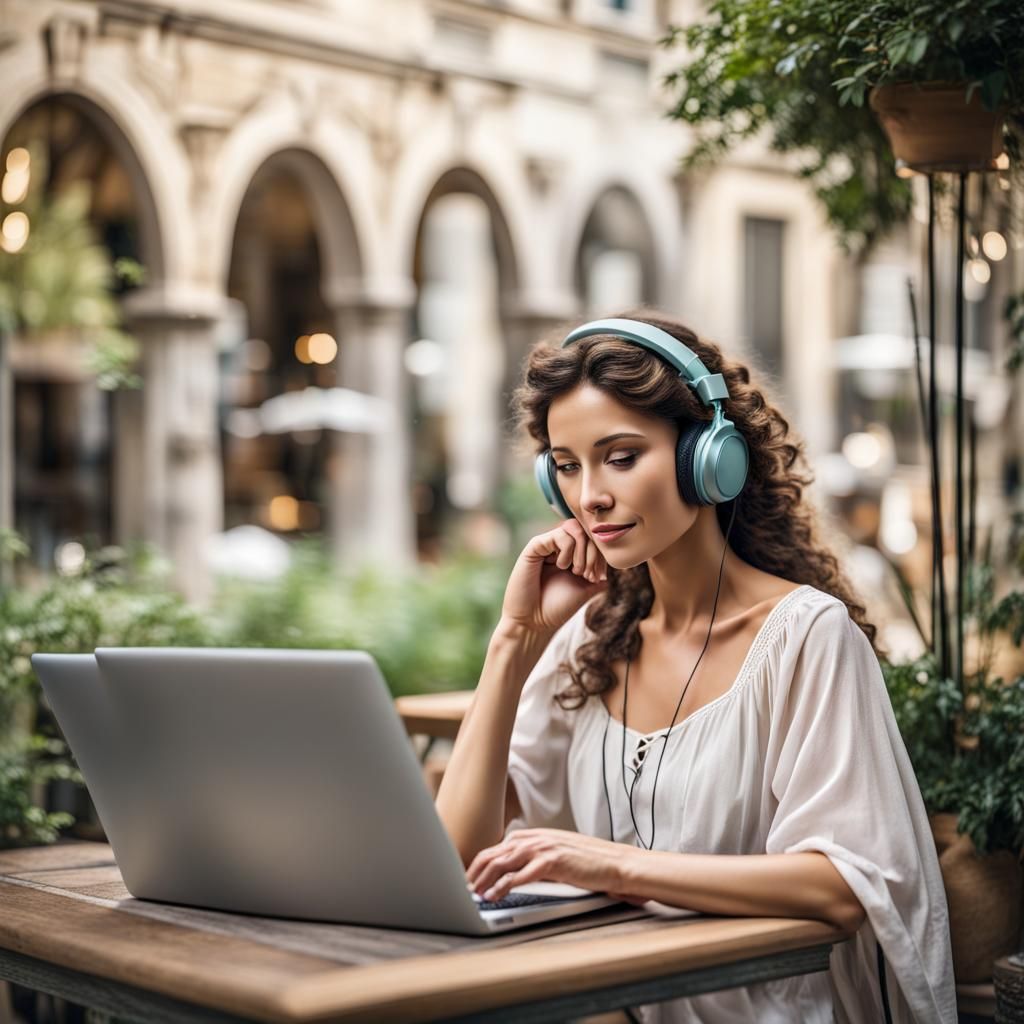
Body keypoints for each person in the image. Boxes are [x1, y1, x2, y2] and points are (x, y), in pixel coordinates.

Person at [435, 312, 956, 1023]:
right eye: (568, 466)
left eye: (621, 457)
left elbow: (843, 888)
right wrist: (514, 642)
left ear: (708, 457)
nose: (589, 496)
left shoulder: (805, 637)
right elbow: (457, 856)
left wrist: (611, 865)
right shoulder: (588, 641)